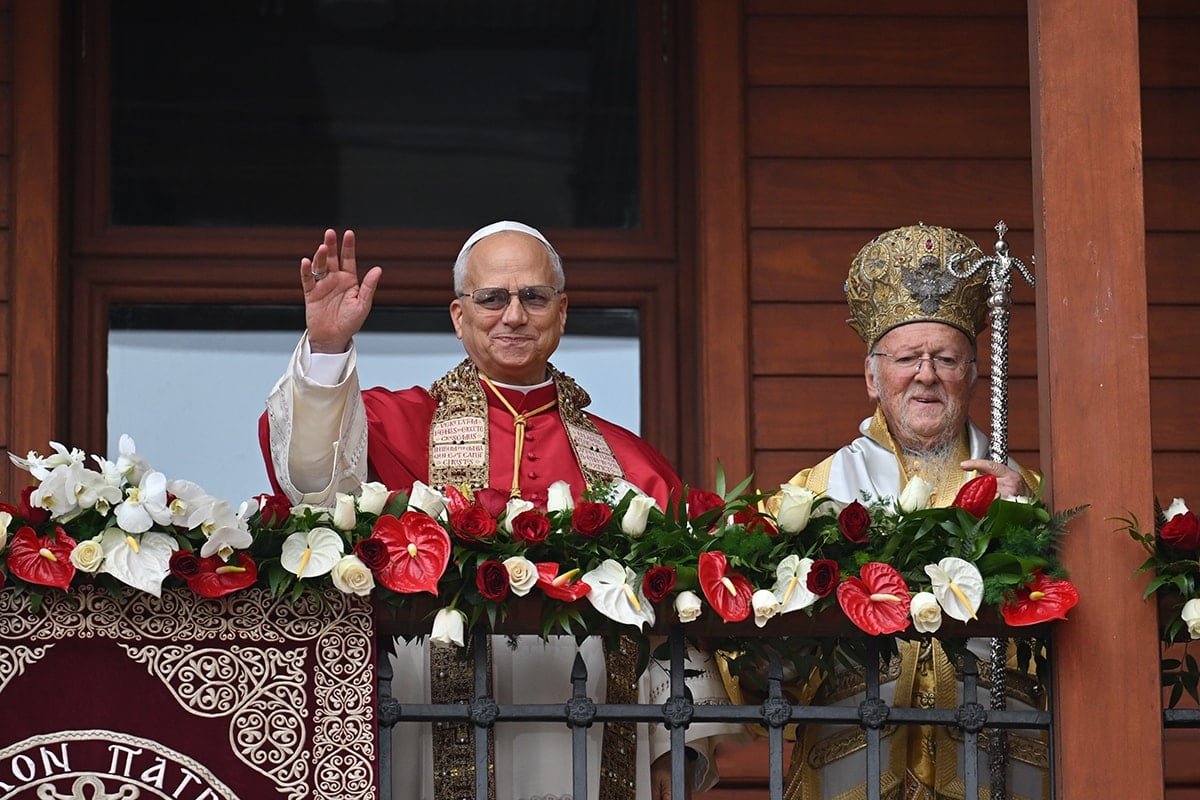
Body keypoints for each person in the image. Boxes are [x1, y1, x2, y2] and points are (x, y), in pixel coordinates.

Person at [259, 221, 738, 800]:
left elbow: (676, 600)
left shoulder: (629, 460)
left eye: (533, 296)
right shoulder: (391, 425)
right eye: (491, 298)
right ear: (459, 316)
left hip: (589, 728)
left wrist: (674, 745)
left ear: (562, 312)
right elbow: (313, 484)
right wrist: (328, 347)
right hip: (427, 716)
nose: (513, 315)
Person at [774, 224, 1045, 800]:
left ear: (972, 374)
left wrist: (1026, 522)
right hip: (855, 759)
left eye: (946, 358)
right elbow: (767, 653)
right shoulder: (813, 493)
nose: (926, 374)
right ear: (872, 377)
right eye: (907, 358)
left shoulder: (1024, 492)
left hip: (994, 755)